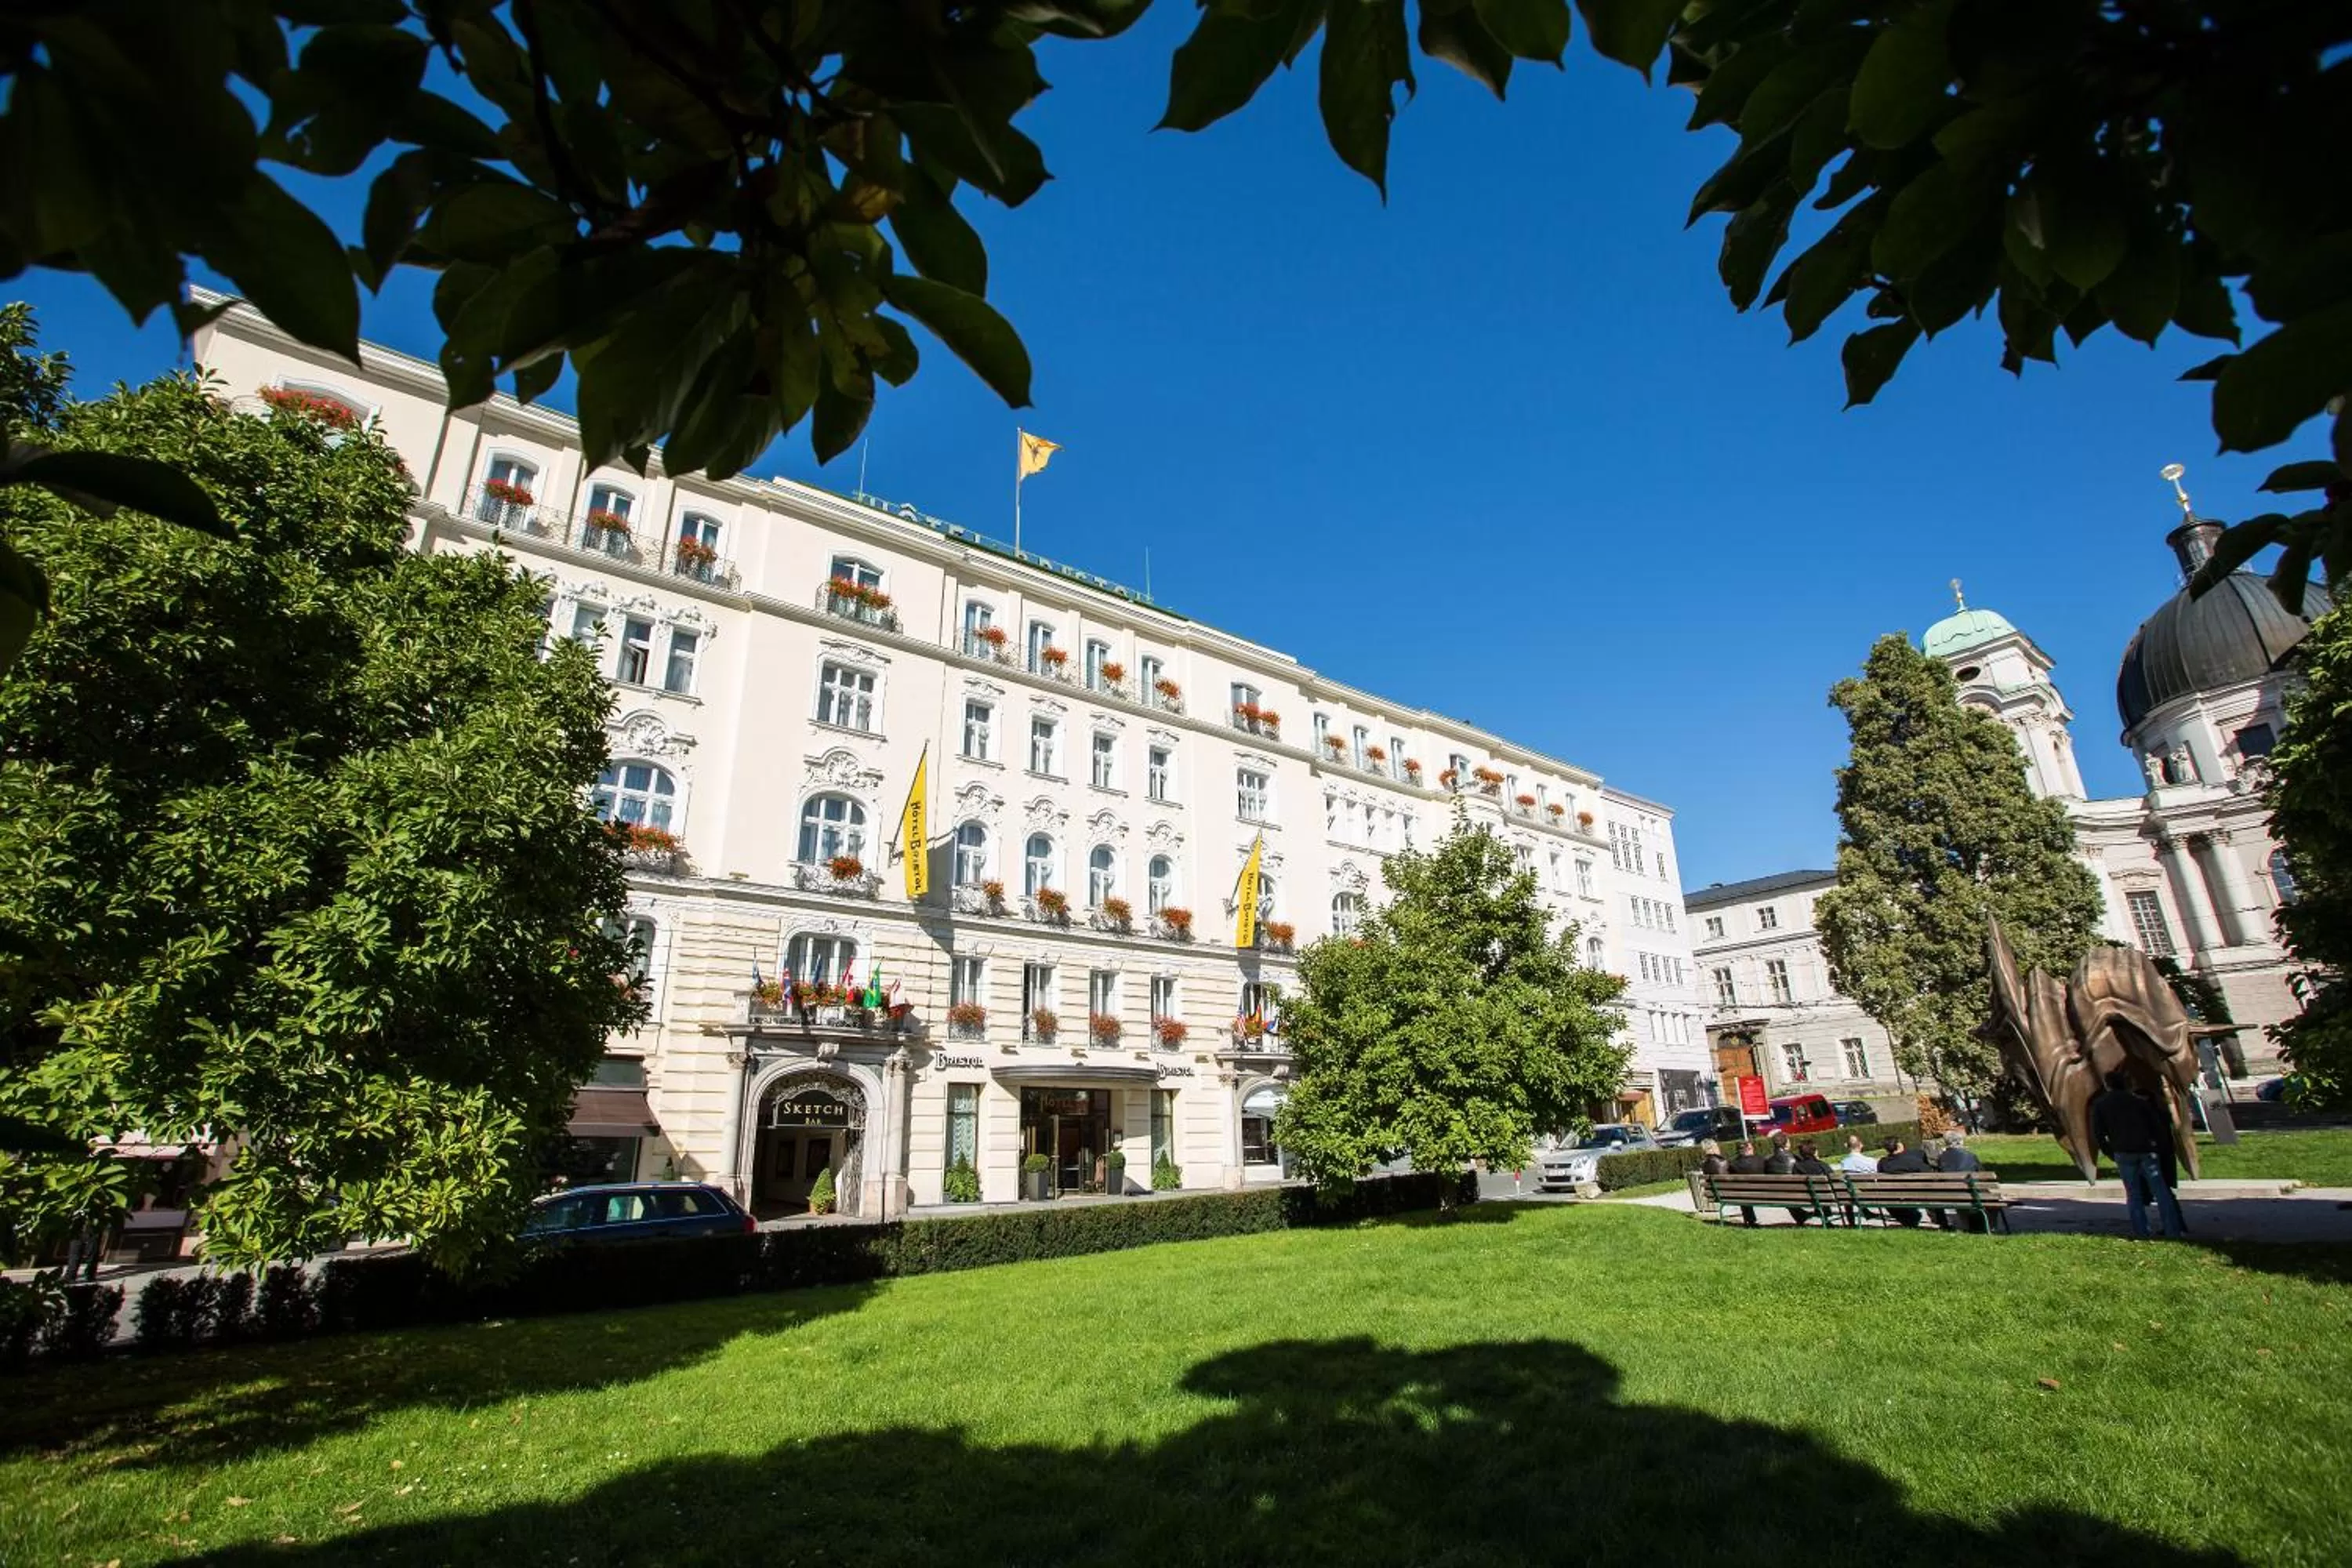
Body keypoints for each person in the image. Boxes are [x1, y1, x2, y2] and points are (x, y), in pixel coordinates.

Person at [2091, 1069, 2186, 1240]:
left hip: (2123, 1151)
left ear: (2108, 1085)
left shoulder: (2102, 1105)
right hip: (2146, 1150)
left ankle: (2141, 1231)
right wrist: (2156, 1145)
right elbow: (2156, 1126)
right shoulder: (2139, 1102)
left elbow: (2099, 1133)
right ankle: (2172, 1229)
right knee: (2161, 1191)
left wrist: (2110, 1151)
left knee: (2133, 1193)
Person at [1936, 1130, 1984, 1232]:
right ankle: (1987, 1227)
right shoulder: (1970, 1156)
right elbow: (1982, 1175)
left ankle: (1966, 1226)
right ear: (1961, 1141)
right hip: (1971, 1193)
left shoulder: (1941, 1158)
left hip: (1951, 1194)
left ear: (1947, 1142)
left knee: (1960, 1198)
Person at [1877, 1137, 1929, 1227]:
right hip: (1916, 1193)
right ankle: (1942, 1223)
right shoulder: (1912, 1161)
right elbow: (1929, 1173)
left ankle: (1910, 1220)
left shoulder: (1882, 1163)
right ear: (1899, 1146)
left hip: (1893, 1195)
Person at [1788, 1139, 1834, 1225]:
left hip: (1804, 1197)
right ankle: (1826, 1219)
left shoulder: (1797, 1167)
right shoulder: (1822, 1165)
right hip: (1825, 1197)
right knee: (1822, 1191)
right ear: (1814, 1151)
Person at [1728, 1138, 1768, 1227]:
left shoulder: (1733, 1164)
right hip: (1765, 1194)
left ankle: (1750, 1221)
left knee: (1742, 1191)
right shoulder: (1761, 1160)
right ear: (1749, 1149)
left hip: (1744, 1196)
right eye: (1752, 1148)